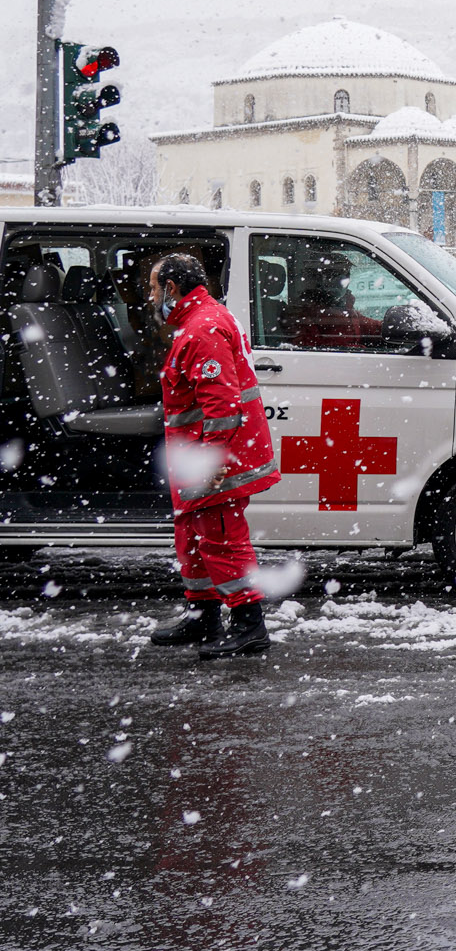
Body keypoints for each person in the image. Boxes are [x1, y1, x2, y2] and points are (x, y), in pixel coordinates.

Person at [146, 253, 282, 658]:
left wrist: (212, 465)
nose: (151, 296)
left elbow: (222, 409)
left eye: (154, 288)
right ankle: (202, 616)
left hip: (214, 462)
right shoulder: (201, 319)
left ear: (171, 288)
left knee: (221, 540)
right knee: (193, 537)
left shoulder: (201, 329)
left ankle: (248, 625)